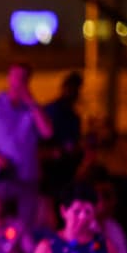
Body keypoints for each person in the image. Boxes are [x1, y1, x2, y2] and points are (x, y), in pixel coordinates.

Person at [0, 62, 53, 227]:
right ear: (9, 78)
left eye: (23, 78)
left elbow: (47, 132)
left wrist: (31, 102)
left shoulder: (32, 109)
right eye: (15, 77)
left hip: (27, 177)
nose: (18, 82)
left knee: (25, 227)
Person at [41, 71, 85, 202]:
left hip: (66, 169)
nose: (75, 92)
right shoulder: (52, 110)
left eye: (77, 89)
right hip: (51, 169)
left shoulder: (73, 116)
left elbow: (74, 142)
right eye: (72, 88)